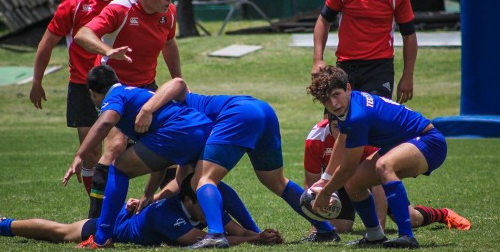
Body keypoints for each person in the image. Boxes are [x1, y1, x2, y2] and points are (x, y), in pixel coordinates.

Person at [134, 77, 342, 249]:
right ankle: (325, 230)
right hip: (262, 109)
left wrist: (147, 110)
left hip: (237, 114)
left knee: (204, 180)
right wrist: (153, 198)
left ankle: (215, 235)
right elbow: (182, 178)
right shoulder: (181, 113)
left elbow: (178, 82)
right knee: (276, 182)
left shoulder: (168, 109)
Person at [72, 0, 181, 218]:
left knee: (172, 147)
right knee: (114, 148)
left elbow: (169, 43)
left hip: (147, 89)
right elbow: (83, 35)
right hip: (117, 91)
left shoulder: (169, 12)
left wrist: (178, 83)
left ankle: (166, 214)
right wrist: (108, 51)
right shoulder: (121, 9)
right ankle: (97, 223)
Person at [62, 65, 212, 248]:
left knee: (119, 168)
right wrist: (148, 195)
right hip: (202, 128)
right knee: (204, 181)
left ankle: (102, 238)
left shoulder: (114, 96)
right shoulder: (135, 93)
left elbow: (106, 121)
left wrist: (79, 155)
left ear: (92, 93)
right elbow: (160, 161)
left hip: (180, 130)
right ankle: (248, 231)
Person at [307, 65, 449, 249]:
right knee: (354, 183)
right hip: (404, 143)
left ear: (348, 88)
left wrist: (326, 193)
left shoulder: (357, 116)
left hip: (429, 141)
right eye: (326, 100)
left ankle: (407, 236)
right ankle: (374, 235)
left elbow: (348, 167)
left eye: (336, 94)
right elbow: (342, 140)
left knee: (384, 165)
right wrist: (325, 180)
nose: (334, 104)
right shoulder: (348, 107)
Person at [29, 0, 130, 198]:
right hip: (82, 85)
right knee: (91, 153)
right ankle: (98, 210)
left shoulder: (128, 1)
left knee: (119, 148)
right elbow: (47, 42)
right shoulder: (74, 4)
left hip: (121, 85)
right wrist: (37, 81)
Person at [0, 174, 283, 248]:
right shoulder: (169, 214)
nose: (210, 208)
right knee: (62, 232)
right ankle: (0, 225)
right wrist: (254, 241)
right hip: (115, 226)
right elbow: (200, 239)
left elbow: (235, 231)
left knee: (63, 230)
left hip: (132, 209)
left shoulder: (204, 208)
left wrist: (257, 234)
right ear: (188, 201)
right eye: (203, 201)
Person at [303, 115, 471, 234]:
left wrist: (379, 228)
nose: (341, 133)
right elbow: (312, 184)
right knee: (340, 227)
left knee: (411, 219)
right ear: (327, 121)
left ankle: (443, 214)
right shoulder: (316, 138)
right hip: (338, 184)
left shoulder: (360, 134)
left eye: (342, 127)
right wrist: (316, 226)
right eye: (335, 127)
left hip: (371, 180)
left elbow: (377, 182)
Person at [312, 0, 417, 104]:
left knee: (375, 120)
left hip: (379, 68)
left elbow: (409, 36)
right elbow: (323, 21)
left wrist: (407, 76)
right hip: (346, 66)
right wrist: (318, 59)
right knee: (336, 121)